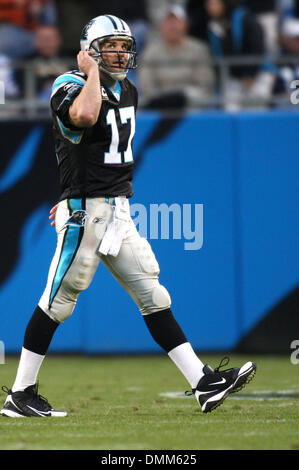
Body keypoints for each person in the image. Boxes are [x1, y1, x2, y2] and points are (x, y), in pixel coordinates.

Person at [1, 14, 256, 418]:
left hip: (116, 210)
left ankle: (204, 382)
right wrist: (73, 198)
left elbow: (94, 158)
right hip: (86, 211)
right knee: (59, 299)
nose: (120, 53)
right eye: (110, 46)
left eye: (124, 45)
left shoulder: (129, 89)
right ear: (89, 50)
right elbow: (83, 117)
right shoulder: (69, 84)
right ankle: (20, 393)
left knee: (153, 294)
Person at [138, 5, 215, 110]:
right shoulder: (151, 51)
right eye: (168, 22)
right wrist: (164, 98)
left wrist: (181, 96)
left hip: (191, 104)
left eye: (176, 22)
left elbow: (205, 84)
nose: (172, 26)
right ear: (161, 26)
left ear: (185, 25)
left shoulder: (198, 49)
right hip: (160, 103)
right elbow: (146, 85)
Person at [205, 0, 275, 110]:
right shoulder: (213, 25)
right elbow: (219, 56)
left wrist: (250, 74)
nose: (211, 8)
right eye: (209, 4)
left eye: (214, 4)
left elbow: (257, 46)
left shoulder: (244, 18)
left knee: (256, 107)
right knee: (230, 108)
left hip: (259, 72)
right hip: (235, 77)